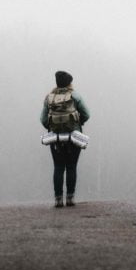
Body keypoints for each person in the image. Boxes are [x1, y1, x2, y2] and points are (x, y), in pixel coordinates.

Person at [40, 70, 91, 208]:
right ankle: (70, 198)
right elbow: (87, 114)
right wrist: (78, 123)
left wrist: (52, 127)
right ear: (69, 83)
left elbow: (43, 119)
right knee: (71, 166)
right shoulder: (75, 95)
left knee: (58, 167)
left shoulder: (49, 97)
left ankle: (57, 199)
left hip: (55, 138)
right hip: (73, 137)